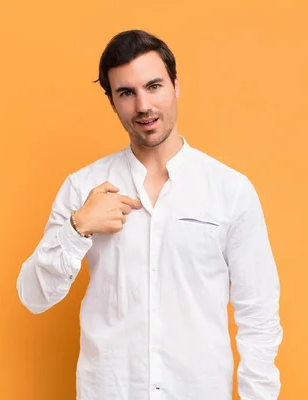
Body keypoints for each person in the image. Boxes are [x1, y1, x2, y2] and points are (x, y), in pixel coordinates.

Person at [16, 29, 283, 400]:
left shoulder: (230, 190)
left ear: (175, 86)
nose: (143, 105)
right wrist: (78, 228)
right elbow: (33, 296)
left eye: (154, 86)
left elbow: (259, 313)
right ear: (112, 102)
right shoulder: (83, 187)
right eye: (126, 93)